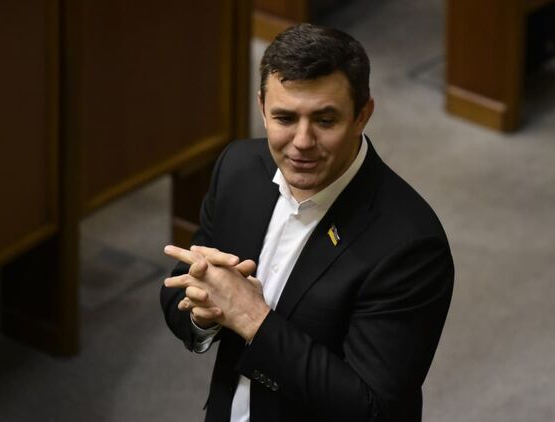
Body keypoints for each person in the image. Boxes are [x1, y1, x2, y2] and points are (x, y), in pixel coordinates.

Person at [160, 23, 454, 422]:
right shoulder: (238, 169)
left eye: (325, 121)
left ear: (362, 115)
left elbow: (374, 411)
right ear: (262, 107)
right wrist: (202, 315)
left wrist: (252, 318)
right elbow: (183, 291)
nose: (301, 142)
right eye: (284, 118)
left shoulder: (410, 244)